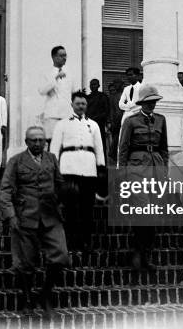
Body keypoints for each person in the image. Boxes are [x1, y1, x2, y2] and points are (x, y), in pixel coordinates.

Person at [0, 126, 69, 316]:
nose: (38, 144)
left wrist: (60, 202)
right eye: (33, 140)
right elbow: (5, 190)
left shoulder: (52, 159)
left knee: (60, 255)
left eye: (41, 140)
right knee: (26, 263)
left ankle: (45, 294)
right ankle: (28, 298)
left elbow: (60, 184)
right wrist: (10, 215)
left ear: (45, 141)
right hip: (25, 217)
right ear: (26, 141)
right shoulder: (16, 161)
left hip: (50, 217)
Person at [118, 83, 167, 271]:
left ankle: (145, 253)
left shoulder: (161, 120)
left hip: (156, 169)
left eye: (153, 102)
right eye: (148, 102)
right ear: (141, 103)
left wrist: (164, 171)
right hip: (136, 169)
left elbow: (164, 148)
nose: (151, 105)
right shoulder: (130, 121)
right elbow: (123, 149)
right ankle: (138, 252)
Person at [50, 91, 105, 250]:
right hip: (68, 168)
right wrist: (54, 168)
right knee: (70, 206)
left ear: (87, 105)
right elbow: (54, 148)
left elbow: (99, 148)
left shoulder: (93, 125)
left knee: (87, 207)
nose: (81, 106)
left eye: (83, 104)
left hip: (89, 169)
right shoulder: (62, 124)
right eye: (78, 103)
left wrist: (100, 168)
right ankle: (70, 241)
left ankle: (86, 241)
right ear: (72, 104)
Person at [38, 45, 79, 145]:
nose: (64, 58)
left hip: (67, 113)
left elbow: (74, 92)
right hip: (52, 114)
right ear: (54, 57)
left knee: (66, 143)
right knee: (52, 143)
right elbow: (42, 91)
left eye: (65, 55)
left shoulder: (70, 73)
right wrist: (55, 78)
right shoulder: (47, 73)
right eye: (61, 55)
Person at [86, 78, 110, 151]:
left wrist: (99, 118)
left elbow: (107, 111)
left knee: (101, 144)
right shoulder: (88, 97)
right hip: (89, 124)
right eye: (91, 85)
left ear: (98, 85)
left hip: (100, 123)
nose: (93, 86)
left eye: (94, 84)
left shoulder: (103, 96)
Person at [108, 79, 125, 163]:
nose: (116, 86)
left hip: (124, 121)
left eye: (118, 84)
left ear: (122, 85)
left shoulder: (126, 95)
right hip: (116, 123)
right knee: (116, 141)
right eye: (115, 84)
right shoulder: (113, 97)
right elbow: (112, 110)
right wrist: (112, 122)